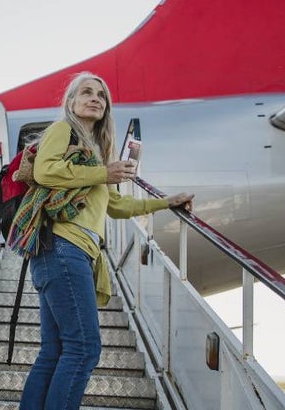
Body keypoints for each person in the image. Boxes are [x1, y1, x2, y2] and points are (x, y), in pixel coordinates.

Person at [19, 72, 193, 410]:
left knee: (53, 352)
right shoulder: (62, 130)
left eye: (102, 95)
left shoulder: (95, 153)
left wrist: (166, 202)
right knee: (84, 348)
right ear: (71, 102)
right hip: (63, 248)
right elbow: (45, 170)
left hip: (63, 253)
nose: (96, 98)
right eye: (86, 92)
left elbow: (116, 205)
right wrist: (103, 173)